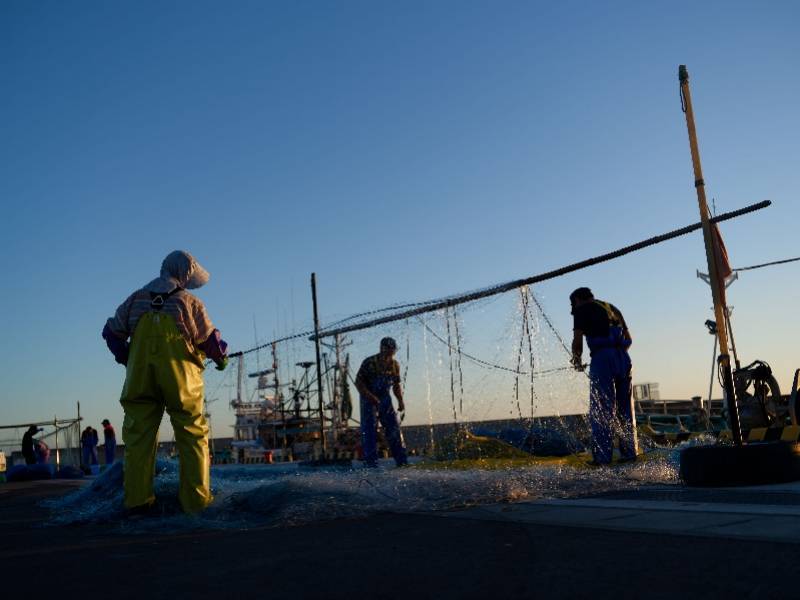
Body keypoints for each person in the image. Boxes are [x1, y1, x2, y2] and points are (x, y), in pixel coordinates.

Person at [102, 250, 228, 514]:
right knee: (192, 433)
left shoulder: (135, 298)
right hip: (181, 379)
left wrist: (127, 357)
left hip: (140, 378)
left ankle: (137, 502)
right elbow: (211, 342)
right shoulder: (189, 302)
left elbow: (111, 332)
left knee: (138, 437)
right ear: (184, 274)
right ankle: (196, 503)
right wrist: (221, 358)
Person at [570, 287, 637, 466]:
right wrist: (617, 353)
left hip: (602, 358)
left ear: (577, 300)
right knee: (626, 409)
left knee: (601, 409)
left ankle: (602, 458)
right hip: (623, 357)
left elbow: (577, 341)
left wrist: (576, 360)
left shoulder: (580, 310)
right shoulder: (612, 307)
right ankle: (629, 453)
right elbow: (629, 338)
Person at [355, 337, 408, 468]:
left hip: (385, 398)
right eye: (389, 350)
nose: (391, 353)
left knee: (393, 428)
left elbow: (396, 385)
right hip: (368, 399)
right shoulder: (369, 363)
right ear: (382, 348)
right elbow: (359, 383)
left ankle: (402, 461)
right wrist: (370, 397)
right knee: (369, 430)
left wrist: (400, 401)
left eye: (393, 351)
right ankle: (371, 463)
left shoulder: (395, 365)